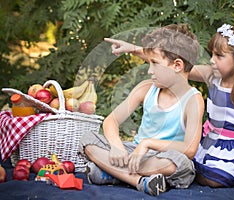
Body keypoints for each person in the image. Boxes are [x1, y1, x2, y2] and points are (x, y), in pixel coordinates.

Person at [105, 24, 234, 188]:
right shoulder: (212, 75)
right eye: (212, 54)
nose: (212, 60)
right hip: (208, 143)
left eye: (219, 56)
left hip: (232, 147)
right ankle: (134, 172)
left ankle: (118, 171)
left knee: (216, 178)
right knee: (194, 168)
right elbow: (171, 61)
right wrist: (133, 49)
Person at [79, 24, 205, 196]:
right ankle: (139, 181)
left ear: (177, 65)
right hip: (134, 153)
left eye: (154, 63)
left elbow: (189, 149)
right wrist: (117, 147)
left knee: (180, 164)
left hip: (162, 158)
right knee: (88, 139)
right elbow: (111, 121)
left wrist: (148, 144)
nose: (149, 70)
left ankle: (113, 172)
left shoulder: (193, 100)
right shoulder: (146, 88)